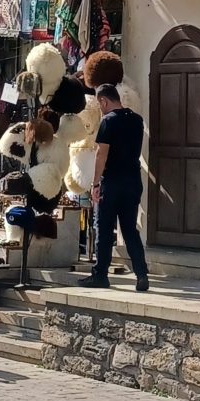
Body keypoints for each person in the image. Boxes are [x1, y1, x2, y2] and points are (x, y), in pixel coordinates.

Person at [79, 83, 149, 292]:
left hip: (112, 182)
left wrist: (96, 183)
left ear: (103, 101)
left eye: (100, 104)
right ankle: (142, 274)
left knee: (104, 228)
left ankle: (100, 275)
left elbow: (102, 153)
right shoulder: (137, 121)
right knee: (129, 230)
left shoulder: (108, 121)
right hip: (133, 181)